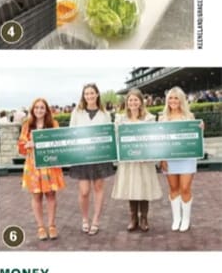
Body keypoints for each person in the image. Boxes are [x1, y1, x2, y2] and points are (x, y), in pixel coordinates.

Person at [112, 89, 161, 232]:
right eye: (130, 100)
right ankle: (133, 218)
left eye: (136, 100)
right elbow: (115, 137)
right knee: (131, 186)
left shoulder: (149, 118)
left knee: (144, 186)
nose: (133, 103)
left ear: (141, 101)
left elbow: (154, 138)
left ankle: (144, 218)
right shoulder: (120, 119)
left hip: (144, 160)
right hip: (129, 161)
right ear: (127, 102)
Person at [68, 84, 113, 235]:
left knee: (99, 188)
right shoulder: (77, 112)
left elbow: (109, 134)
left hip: (100, 156)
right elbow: (71, 132)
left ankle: (96, 220)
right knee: (84, 191)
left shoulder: (105, 113)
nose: (89, 96)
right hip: (82, 156)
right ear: (83, 96)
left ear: (97, 94)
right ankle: (84, 219)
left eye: (92, 93)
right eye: (86, 93)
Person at [17, 98, 64, 240]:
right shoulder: (27, 125)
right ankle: (40, 227)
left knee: (51, 195)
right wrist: (27, 145)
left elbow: (59, 143)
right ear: (33, 110)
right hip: (33, 165)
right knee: (36, 196)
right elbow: (21, 145)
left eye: (42, 107)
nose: (39, 110)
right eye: (36, 107)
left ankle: (51, 225)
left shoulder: (53, 124)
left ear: (46, 110)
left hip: (50, 164)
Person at [159, 87, 202, 232]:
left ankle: (186, 219)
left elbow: (196, 138)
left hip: (187, 158)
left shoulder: (190, 117)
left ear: (181, 100)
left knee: (185, 188)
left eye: (176, 98)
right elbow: (160, 141)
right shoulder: (162, 118)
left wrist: (201, 128)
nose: (173, 101)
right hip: (169, 159)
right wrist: (162, 159)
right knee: (173, 188)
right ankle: (176, 218)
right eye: (170, 98)